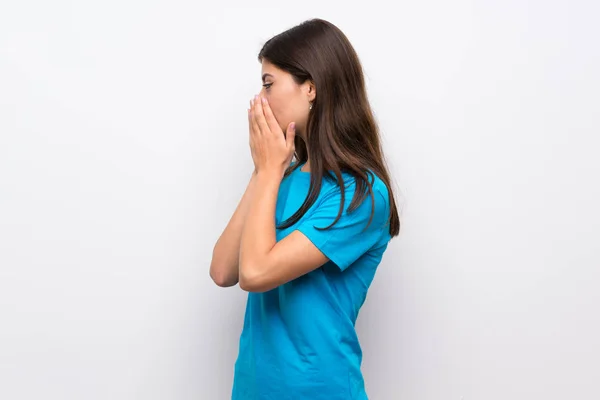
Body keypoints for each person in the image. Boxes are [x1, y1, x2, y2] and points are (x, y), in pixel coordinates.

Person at [209, 18, 401, 400]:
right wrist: (264, 172)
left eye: (268, 83)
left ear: (310, 87)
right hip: (251, 389)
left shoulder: (361, 194)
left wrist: (267, 173)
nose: (259, 99)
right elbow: (223, 270)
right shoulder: (278, 178)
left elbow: (256, 272)